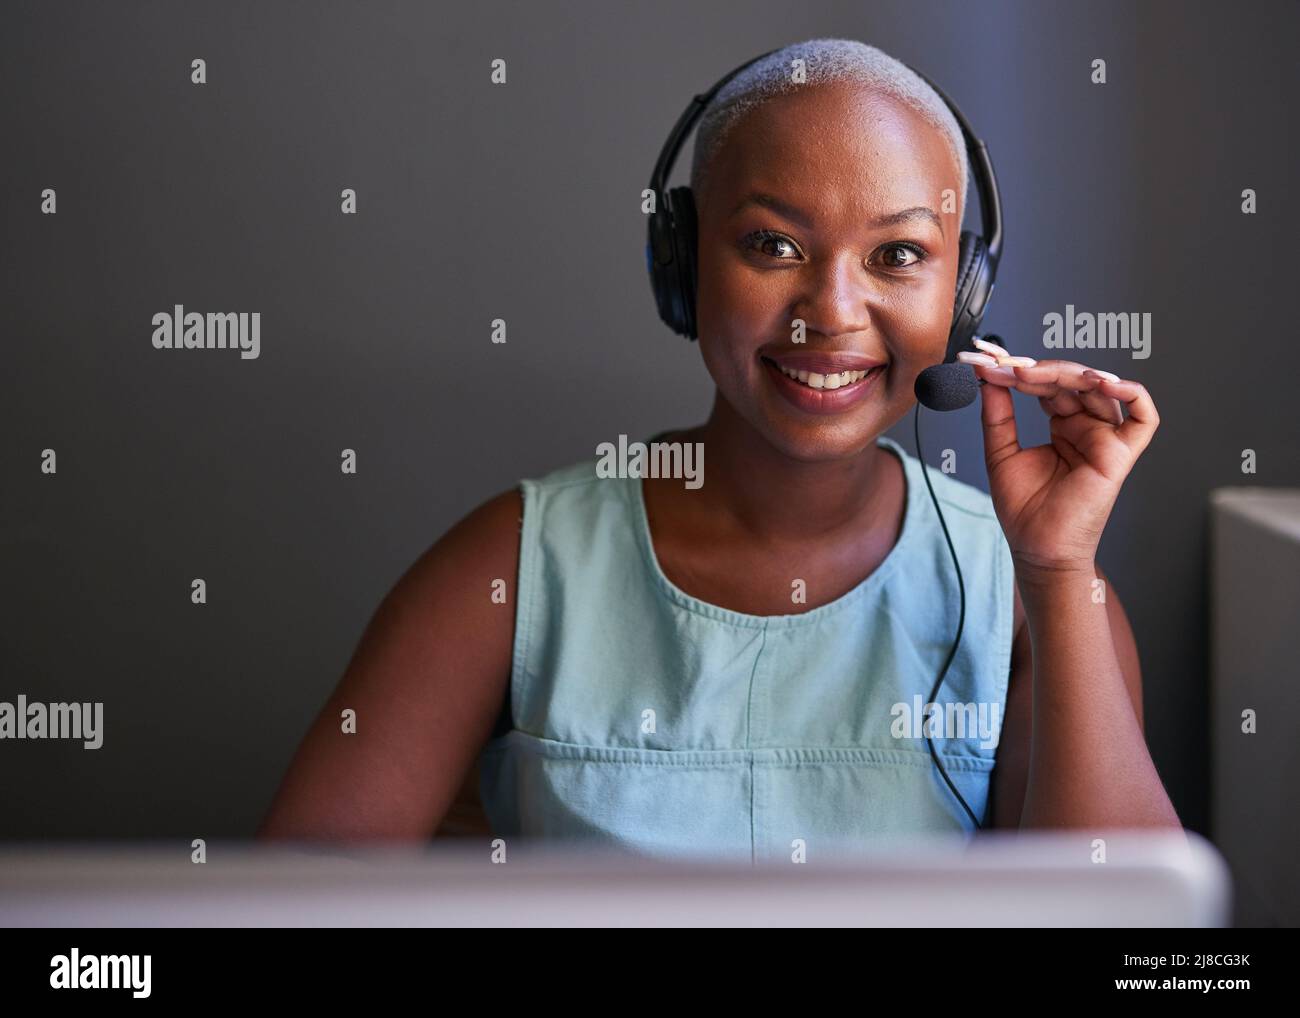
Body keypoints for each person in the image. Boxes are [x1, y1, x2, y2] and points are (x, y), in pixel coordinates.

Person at [258, 38, 1180, 860]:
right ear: (682, 262)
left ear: (964, 293)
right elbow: (287, 915)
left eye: (898, 255)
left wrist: (1059, 575)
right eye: (773, 243)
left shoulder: (1028, 593)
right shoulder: (507, 568)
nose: (833, 312)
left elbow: (1131, 950)